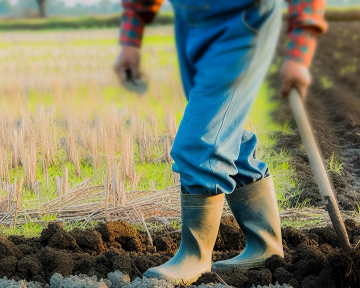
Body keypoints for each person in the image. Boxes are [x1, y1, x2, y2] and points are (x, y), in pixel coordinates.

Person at [115, 0, 327, 285]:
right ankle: (265, 245)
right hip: (190, 23)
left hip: (243, 22)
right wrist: (131, 37)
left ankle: (196, 256)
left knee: (200, 143)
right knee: (224, 130)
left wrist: (299, 53)